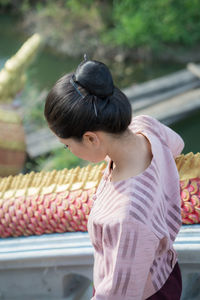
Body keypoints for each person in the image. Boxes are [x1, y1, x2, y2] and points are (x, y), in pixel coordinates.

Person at [44, 57, 184, 300]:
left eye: (67, 146)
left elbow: (119, 295)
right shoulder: (145, 127)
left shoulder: (126, 217)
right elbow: (177, 145)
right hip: (166, 270)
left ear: (91, 138)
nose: (69, 150)